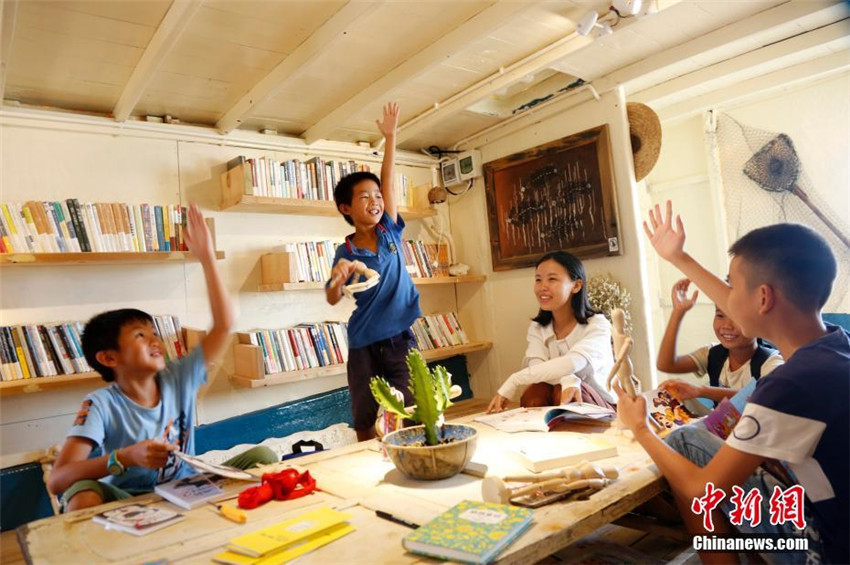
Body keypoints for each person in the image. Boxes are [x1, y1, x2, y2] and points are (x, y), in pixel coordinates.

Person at [616, 201, 848, 564]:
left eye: (732, 287)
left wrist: (640, 428)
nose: (726, 300)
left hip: (824, 547)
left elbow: (700, 490)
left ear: (763, 297)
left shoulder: (788, 385)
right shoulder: (836, 344)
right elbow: (746, 304)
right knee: (698, 439)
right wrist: (679, 257)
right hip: (835, 513)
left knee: (681, 444)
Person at [48, 205, 277, 511]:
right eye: (140, 336)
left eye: (154, 333)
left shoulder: (178, 378)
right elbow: (58, 479)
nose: (155, 340)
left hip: (187, 488)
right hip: (130, 500)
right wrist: (124, 457)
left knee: (264, 459)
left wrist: (207, 257)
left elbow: (223, 325)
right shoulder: (100, 404)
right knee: (82, 494)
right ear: (109, 357)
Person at [326, 103, 421, 441]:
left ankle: (413, 454)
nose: (375, 200)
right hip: (364, 340)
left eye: (377, 195)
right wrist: (338, 277)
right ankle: (365, 459)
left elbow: (389, 180)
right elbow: (332, 297)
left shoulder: (389, 231)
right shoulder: (345, 251)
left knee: (413, 407)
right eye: (364, 197)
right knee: (364, 416)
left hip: (400, 337)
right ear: (346, 208)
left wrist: (391, 137)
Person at [486, 251, 614, 414]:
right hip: (557, 394)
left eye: (552, 279)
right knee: (536, 392)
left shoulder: (597, 324)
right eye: (538, 279)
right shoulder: (538, 327)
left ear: (576, 285)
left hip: (600, 405)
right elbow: (537, 369)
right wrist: (569, 379)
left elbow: (573, 363)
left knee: (566, 392)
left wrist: (514, 379)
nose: (542, 287)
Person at [657, 278, 782, 405]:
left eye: (736, 317)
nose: (727, 326)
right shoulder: (712, 354)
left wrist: (702, 391)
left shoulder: (772, 362)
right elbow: (666, 364)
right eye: (720, 315)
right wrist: (678, 312)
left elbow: (763, 396)